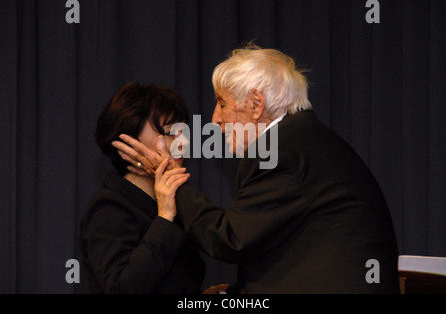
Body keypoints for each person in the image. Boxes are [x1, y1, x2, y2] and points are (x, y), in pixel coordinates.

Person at [113, 45, 400, 293]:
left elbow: (229, 240)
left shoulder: (282, 149)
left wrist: (171, 178)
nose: (214, 120)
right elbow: (286, 251)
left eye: (222, 103)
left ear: (256, 104)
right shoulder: (303, 139)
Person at [79, 82, 209, 294]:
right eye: (170, 132)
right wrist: (165, 217)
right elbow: (123, 289)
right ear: (128, 142)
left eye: (183, 131)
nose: (183, 142)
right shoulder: (108, 207)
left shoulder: (170, 199)